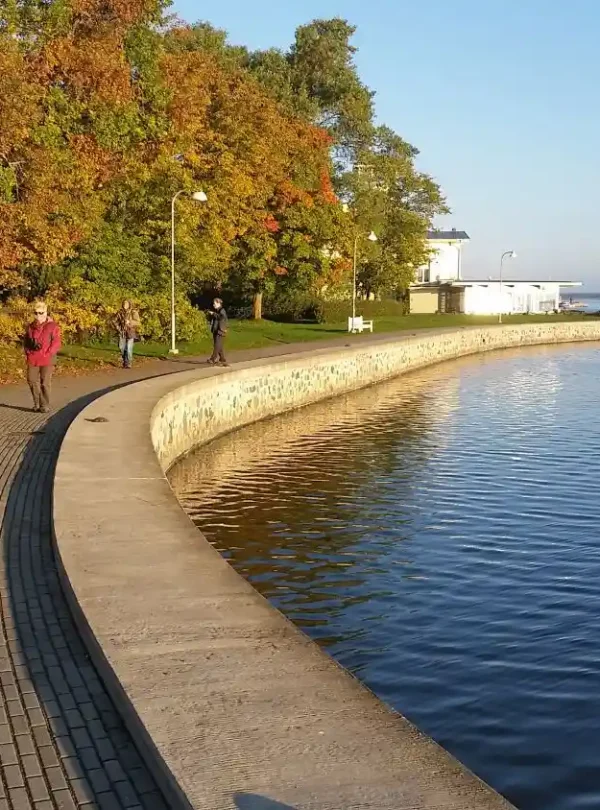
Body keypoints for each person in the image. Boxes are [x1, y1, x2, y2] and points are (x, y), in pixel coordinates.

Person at [24, 300, 62, 413]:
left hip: (47, 359)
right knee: (31, 380)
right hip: (33, 358)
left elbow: (56, 342)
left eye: (41, 313)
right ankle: (37, 403)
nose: (38, 315)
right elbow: (26, 342)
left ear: (46, 313)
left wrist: (48, 353)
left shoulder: (52, 326)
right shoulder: (30, 327)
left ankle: (44, 405)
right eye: (36, 313)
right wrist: (28, 351)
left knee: (44, 383)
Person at [115, 300, 141, 369]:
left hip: (130, 332)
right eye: (124, 304)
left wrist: (130, 322)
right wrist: (118, 328)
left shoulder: (133, 312)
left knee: (129, 348)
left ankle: (129, 363)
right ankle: (125, 360)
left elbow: (138, 322)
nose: (125, 305)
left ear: (129, 305)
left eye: (126, 304)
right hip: (122, 332)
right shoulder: (120, 312)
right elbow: (115, 321)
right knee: (121, 347)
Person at [207, 298, 229, 366]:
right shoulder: (217, 310)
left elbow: (221, 317)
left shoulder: (222, 310)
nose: (213, 305)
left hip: (220, 330)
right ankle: (222, 359)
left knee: (217, 345)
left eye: (214, 303)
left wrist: (213, 314)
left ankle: (212, 359)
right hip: (216, 330)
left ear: (219, 303)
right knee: (219, 345)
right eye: (213, 303)